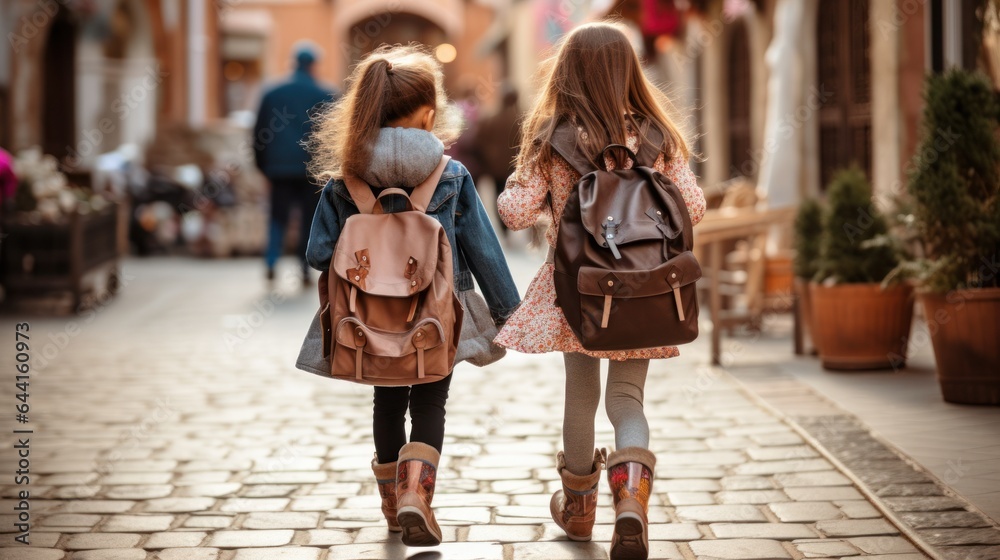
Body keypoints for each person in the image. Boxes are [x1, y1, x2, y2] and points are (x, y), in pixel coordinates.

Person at [494, 22, 707, 560]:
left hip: (577, 291)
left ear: (565, 74)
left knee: (582, 396)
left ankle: (580, 511)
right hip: (644, 290)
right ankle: (631, 502)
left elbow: (515, 213)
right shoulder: (657, 135)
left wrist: (528, 184)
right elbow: (694, 208)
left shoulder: (552, 136)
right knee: (626, 399)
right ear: (630, 71)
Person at [304, 45, 520, 547]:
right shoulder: (451, 174)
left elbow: (318, 253)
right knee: (430, 403)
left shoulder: (345, 178)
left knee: (386, 402)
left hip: (366, 320)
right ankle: (415, 496)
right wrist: (511, 314)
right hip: (437, 317)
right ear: (428, 112)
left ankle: (390, 504)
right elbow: (484, 251)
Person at [253, 42, 337, 284]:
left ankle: (271, 262)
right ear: (313, 65)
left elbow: (258, 135)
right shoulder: (326, 94)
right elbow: (333, 136)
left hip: (278, 168)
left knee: (278, 216)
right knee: (309, 218)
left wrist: (263, 166)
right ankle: (303, 268)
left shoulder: (272, 93)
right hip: (312, 168)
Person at [474, 86, 521, 239]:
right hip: (516, 166)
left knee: (498, 194)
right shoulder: (522, 118)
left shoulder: (491, 118)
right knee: (516, 194)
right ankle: (512, 223)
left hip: (496, 167)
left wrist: (489, 156)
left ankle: (503, 226)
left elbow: (480, 140)